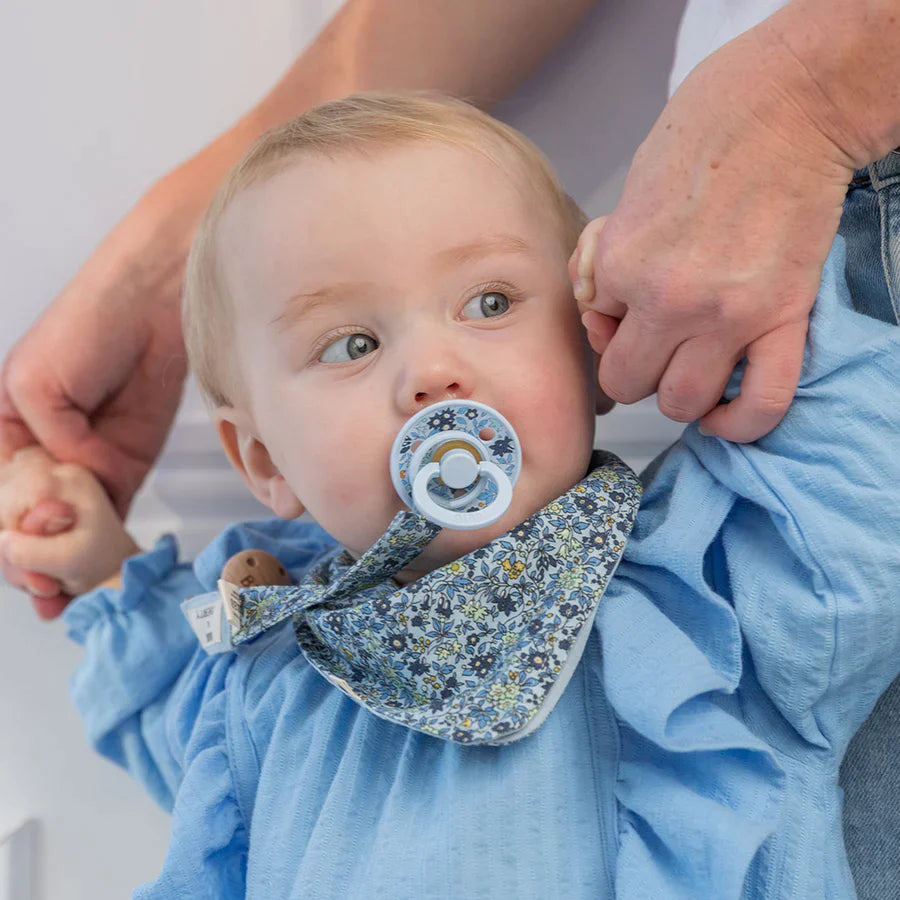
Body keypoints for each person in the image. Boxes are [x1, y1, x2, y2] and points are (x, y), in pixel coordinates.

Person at [1, 92, 897, 898]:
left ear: (596, 338)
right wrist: (101, 568)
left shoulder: (707, 588)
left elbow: (854, 454)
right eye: (351, 345)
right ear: (264, 458)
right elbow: (178, 710)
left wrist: (747, 243)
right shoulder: (273, 670)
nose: (432, 371)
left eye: (491, 301)